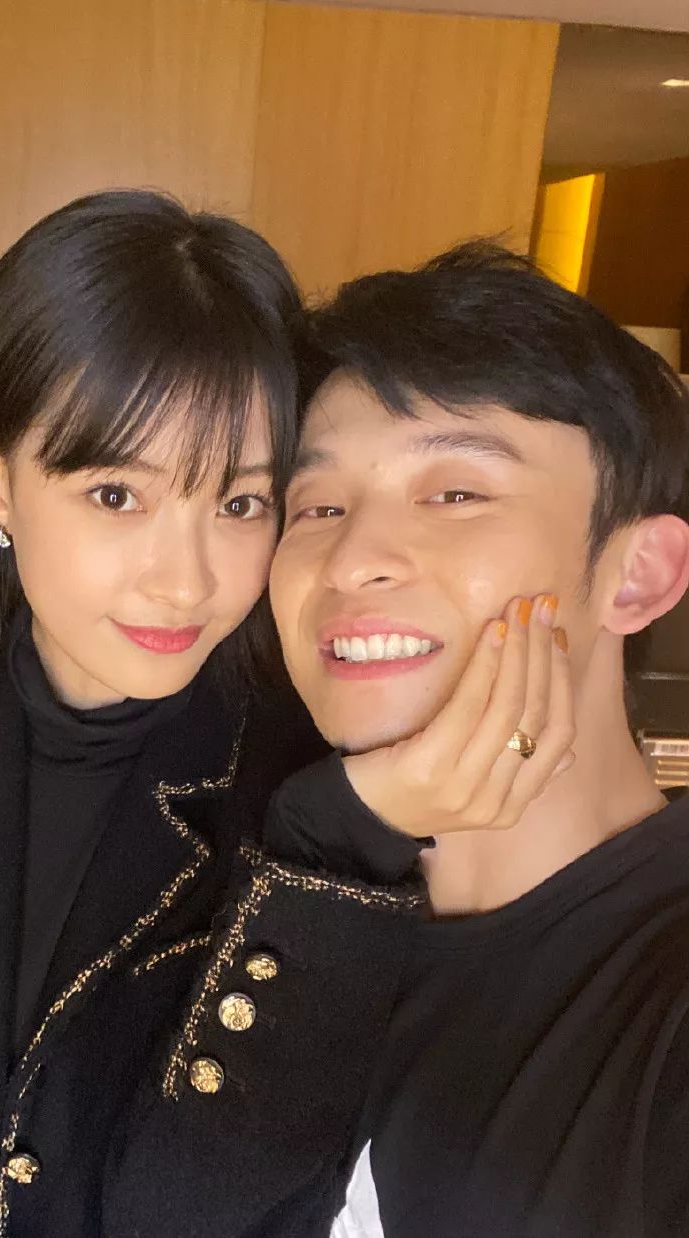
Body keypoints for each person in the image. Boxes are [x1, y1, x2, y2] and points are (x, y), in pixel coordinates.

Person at [0, 197, 565, 1238]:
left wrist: (344, 847)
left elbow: (238, 1204)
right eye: (115, 495)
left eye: (238, 504)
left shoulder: (321, 793)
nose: (185, 581)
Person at [147, 241, 686, 1238]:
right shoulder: (237, 875)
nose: (351, 558)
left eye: (455, 493)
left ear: (639, 574)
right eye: (317, 506)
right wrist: (334, 831)